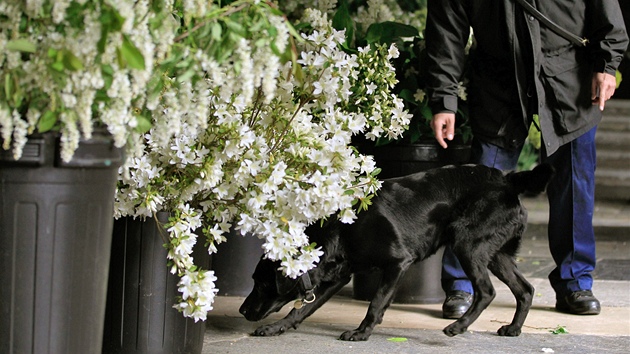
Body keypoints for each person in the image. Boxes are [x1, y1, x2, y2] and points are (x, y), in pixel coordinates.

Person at [424, 0, 628, 319]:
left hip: (569, 80)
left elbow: (607, 14)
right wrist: (444, 99)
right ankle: (462, 283)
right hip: (498, 86)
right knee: (481, 191)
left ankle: (575, 281)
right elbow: (446, 31)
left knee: (575, 186)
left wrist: (607, 65)